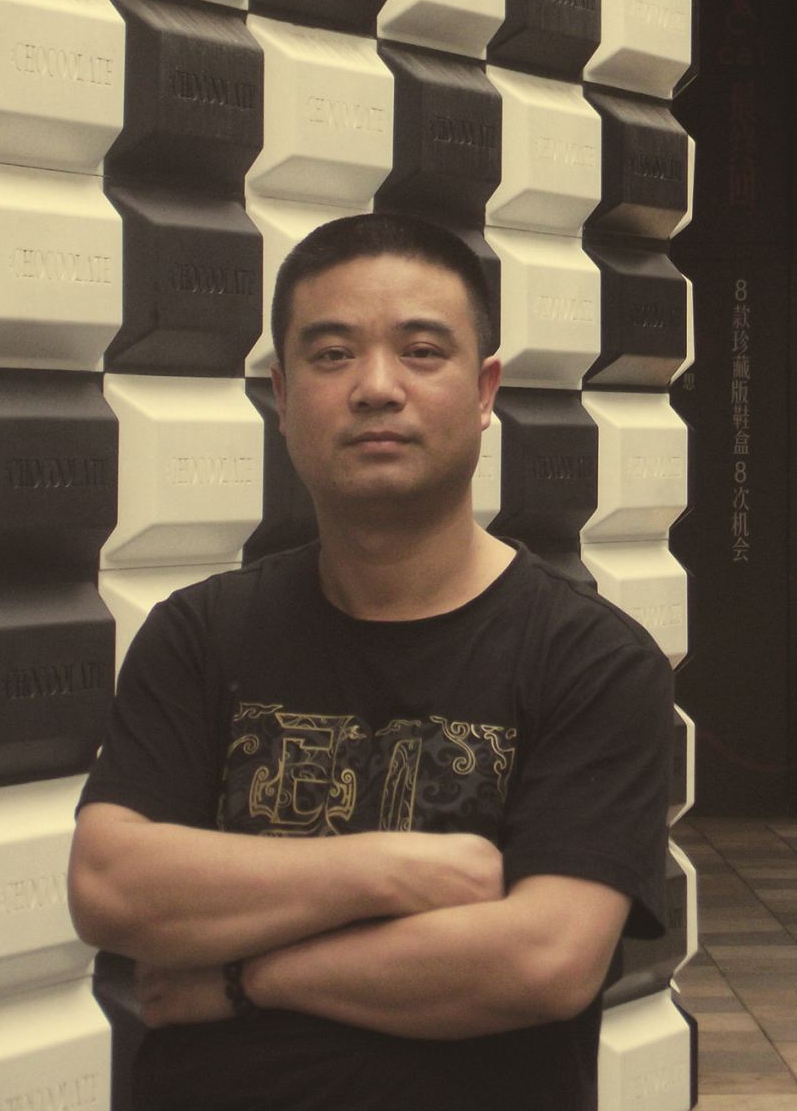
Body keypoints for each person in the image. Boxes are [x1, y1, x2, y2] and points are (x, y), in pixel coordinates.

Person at [69, 212, 673, 1111]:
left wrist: (245, 979)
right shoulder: (200, 633)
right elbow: (111, 886)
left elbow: (543, 960)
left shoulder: (593, 662)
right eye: (332, 355)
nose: (376, 388)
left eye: (422, 352)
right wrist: (396, 871)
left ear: (485, 390)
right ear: (282, 396)